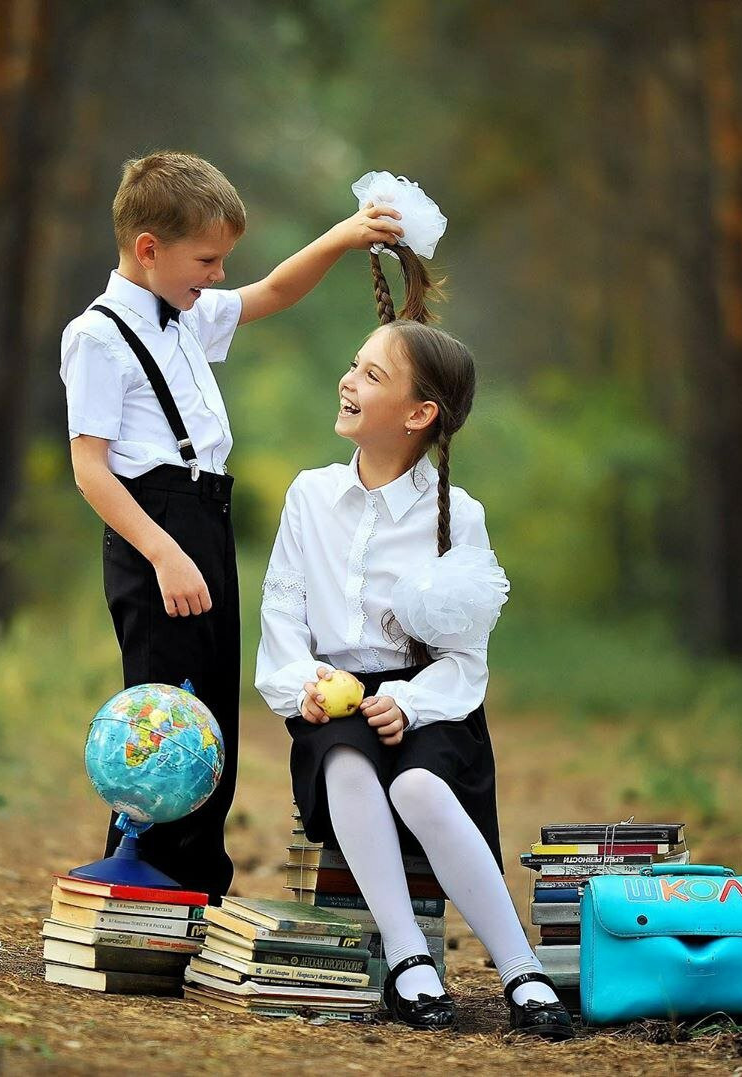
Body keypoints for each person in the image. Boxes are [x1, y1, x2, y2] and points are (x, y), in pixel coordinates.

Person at [61, 151, 404, 904]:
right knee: (163, 712)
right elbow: (91, 469)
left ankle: (196, 881)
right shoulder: (99, 336)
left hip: (203, 519)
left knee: (210, 706)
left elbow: (274, 290)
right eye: (207, 259)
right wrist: (161, 552)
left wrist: (345, 235)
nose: (217, 275)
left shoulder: (183, 311)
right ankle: (148, 875)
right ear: (149, 249)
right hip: (156, 529)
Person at [254, 240, 576, 1038]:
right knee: (351, 764)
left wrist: (405, 698)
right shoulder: (310, 497)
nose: (348, 380)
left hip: (429, 703)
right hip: (330, 704)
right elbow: (282, 612)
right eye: (353, 364)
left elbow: (466, 661)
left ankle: (521, 969)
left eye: (370, 374)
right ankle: (408, 958)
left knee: (421, 787)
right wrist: (300, 683)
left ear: (419, 412)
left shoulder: (457, 517)